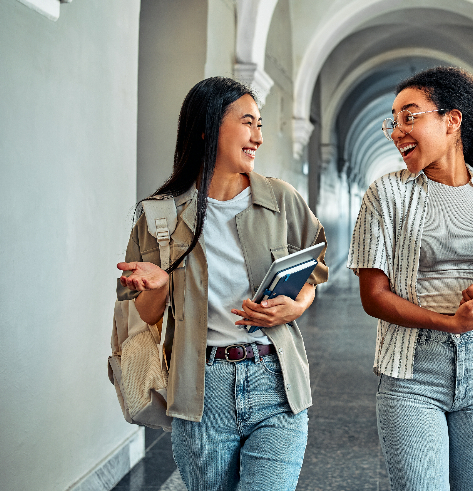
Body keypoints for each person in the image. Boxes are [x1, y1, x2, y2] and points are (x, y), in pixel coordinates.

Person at [116, 76, 328, 489]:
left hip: (276, 382)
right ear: (208, 127)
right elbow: (143, 315)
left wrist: (297, 305)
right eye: (248, 123)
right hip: (201, 390)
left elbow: (314, 266)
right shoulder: (159, 217)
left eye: (260, 125)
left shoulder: (280, 200)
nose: (258, 138)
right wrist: (159, 287)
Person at [347, 66, 473, 491]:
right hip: (413, 374)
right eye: (393, 121)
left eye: (410, 116)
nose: (397, 131)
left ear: (452, 121)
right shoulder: (387, 194)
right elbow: (373, 296)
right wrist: (450, 322)